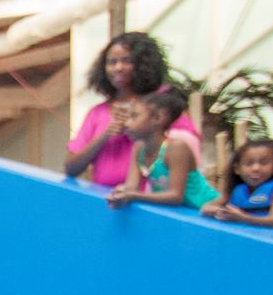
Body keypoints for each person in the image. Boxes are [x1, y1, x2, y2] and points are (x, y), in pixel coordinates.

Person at [64, 32, 197, 189]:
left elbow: (187, 147)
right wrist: (105, 135)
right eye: (112, 62)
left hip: (153, 198)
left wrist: (139, 126)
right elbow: (71, 167)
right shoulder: (97, 113)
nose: (118, 68)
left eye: (126, 61)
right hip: (106, 198)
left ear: (144, 64)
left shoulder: (163, 103)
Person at [106, 86, 219, 213]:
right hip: (184, 213)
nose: (127, 123)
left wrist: (132, 195)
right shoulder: (139, 147)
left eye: (134, 116)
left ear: (158, 118)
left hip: (208, 209)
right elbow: (132, 186)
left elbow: (175, 196)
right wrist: (121, 191)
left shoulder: (176, 148)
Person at [202, 137, 273, 230]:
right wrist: (215, 210)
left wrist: (242, 218)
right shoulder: (236, 189)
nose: (256, 168)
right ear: (237, 169)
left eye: (264, 163)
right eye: (249, 164)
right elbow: (207, 207)